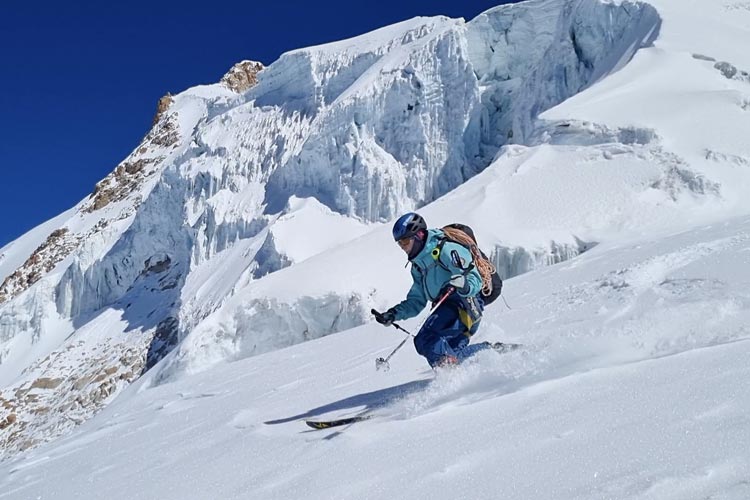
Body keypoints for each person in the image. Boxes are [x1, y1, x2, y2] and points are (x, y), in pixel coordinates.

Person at [375, 212, 494, 368]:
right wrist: (393, 314)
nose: (402, 247)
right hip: (455, 311)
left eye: (404, 241)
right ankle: (492, 352)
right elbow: (417, 301)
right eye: (400, 244)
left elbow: (474, 276)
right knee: (453, 355)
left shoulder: (445, 249)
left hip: (463, 305)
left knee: (425, 339)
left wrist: (464, 285)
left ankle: (450, 378)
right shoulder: (418, 266)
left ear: (418, 235)